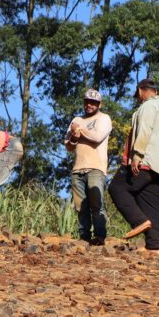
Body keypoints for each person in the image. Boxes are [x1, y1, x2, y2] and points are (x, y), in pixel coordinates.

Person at [109, 79, 159, 254]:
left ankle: (138, 221)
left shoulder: (148, 107)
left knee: (116, 187)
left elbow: (144, 131)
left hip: (146, 161)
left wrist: (136, 156)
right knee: (150, 202)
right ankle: (154, 246)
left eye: (138, 96)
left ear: (141, 91)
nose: (138, 99)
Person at [64, 89, 112, 245]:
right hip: (78, 168)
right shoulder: (76, 119)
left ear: (99, 104)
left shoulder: (104, 118)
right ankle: (84, 237)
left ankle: (99, 237)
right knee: (80, 206)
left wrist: (79, 130)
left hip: (96, 167)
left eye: (93, 102)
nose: (90, 105)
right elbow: (68, 145)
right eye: (87, 102)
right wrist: (74, 137)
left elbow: (97, 137)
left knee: (96, 203)